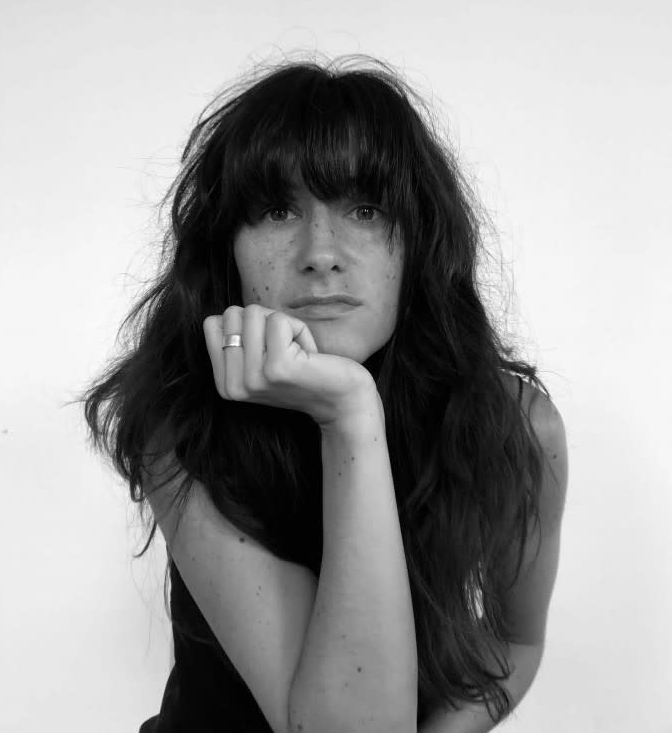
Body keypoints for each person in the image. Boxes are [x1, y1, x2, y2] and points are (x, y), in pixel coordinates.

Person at [79, 54, 568, 733]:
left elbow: (515, 643)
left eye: (365, 209)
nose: (319, 252)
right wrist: (348, 414)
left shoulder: (515, 426)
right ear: (227, 251)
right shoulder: (182, 422)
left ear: (419, 241)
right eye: (277, 210)